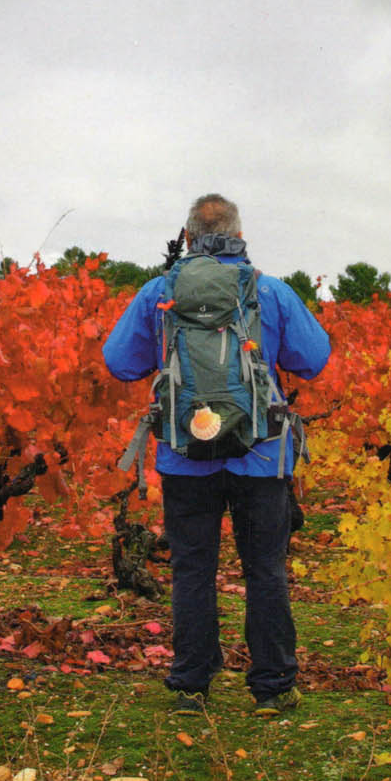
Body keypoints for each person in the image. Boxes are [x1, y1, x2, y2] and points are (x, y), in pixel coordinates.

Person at [102, 194, 330, 716]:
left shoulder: (160, 293)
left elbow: (118, 362)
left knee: (192, 570)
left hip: (185, 456)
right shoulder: (269, 292)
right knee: (265, 571)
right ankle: (272, 688)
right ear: (238, 232)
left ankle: (190, 685)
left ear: (186, 237)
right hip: (262, 455)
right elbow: (314, 360)